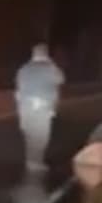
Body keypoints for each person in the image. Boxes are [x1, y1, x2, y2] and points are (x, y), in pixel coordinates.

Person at [14, 43, 65, 171]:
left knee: (29, 134)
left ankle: (31, 160)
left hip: (24, 107)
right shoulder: (49, 68)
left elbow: (18, 86)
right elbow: (61, 79)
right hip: (41, 107)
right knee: (41, 137)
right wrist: (51, 63)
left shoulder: (23, 68)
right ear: (45, 54)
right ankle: (35, 162)